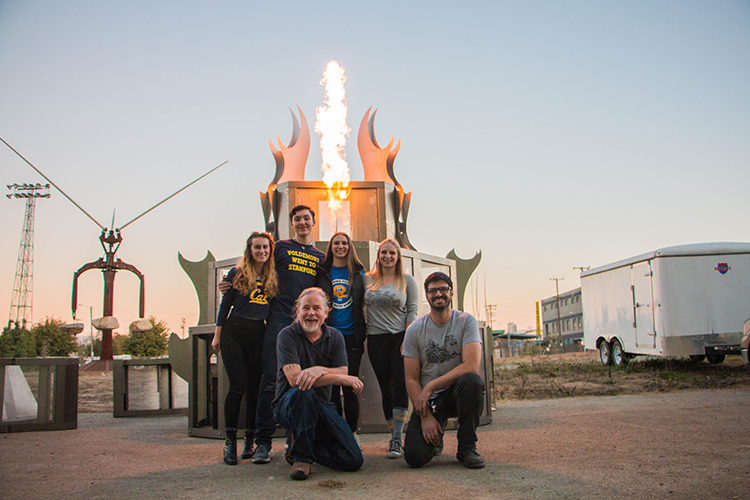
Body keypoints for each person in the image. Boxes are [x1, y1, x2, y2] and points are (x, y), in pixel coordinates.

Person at [218, 205, 325, 463]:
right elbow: (257, 266)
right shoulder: (280, 248)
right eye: (297, 219)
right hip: (277, 319)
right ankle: (263, 442)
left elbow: (324, 287)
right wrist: (230, 281)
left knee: (304, 379)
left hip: (306, 320)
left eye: (306, 219)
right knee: (270, 380)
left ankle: (296, 440)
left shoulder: (320, 257)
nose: (302, 223)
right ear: (292, 223)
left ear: (313, 222)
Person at [273, 287, 364, 480]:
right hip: (288, 405)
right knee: (303, 392)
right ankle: (301, 459)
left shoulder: (335, 337)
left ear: (326, 312)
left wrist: (319, 369)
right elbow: (296, 379)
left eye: (316, 308)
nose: (311, 313)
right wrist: (341, 378)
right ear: (297, 311)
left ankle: (304, 443)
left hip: (321, 406)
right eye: (306, 308)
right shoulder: (286, 335)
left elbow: (343, 370)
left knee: (353, 460)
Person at [402, 272, 486, 469]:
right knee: (415, 457)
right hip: (430, 402)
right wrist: (425, 416)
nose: (438, 294)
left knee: (472, 381)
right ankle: (435, 442)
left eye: (443, 289)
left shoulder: (466, 321)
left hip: (457, 393)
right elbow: (411, 379)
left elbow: (471, 365)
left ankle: (467, 446)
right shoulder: (414, 329)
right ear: (427, 295)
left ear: (451, 292)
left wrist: (431, 385)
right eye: (433, 291)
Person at [211, 232, 277, 465]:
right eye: (257, 247)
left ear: (270, 250)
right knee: (237, 386)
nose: (261, 251)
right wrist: (217, 335)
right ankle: (230, 443)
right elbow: (225, 306)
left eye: (265, 248)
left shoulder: (273, 276)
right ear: (249, 250)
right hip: (234, 332)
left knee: (255, 389)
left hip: (259, 334)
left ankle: (250, 441)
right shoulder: (236, 273)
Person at [363, 238, 418, 458]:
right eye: (384, 253)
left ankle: (398, 437)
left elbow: (412, 310)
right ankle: (391, 433)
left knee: (400, 385)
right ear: (378, 255)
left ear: (398, 257)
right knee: (384, 386)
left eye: (392, 254)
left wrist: (408, 338)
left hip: (399, 338)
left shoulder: (407, 280)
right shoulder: (367, 279)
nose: (387, 257)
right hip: (375, 338)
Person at [316, 232, 367, 447]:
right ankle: (336, 434)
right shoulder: (322, 272)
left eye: (344, 243)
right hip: (328, 336)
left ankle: (352, 433)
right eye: (336, 243)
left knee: (350, 386)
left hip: (352, 336)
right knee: (331, 388)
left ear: (349, 246)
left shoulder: (358, 272)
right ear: (331, 247)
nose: (340, 246)